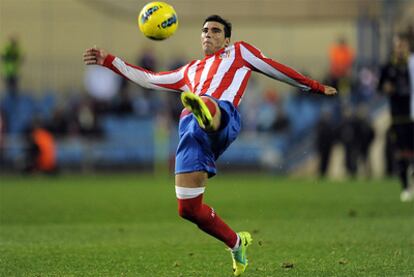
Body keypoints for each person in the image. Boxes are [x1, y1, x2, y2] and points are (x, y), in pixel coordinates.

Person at [83, 15, 337, 276]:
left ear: (227, 39)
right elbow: (148, 78)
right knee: (188, 209)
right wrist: (109, 61)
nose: (208, 34)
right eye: (205, 30)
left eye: (216, 31)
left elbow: (275, 68)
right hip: (191, 134)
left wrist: (313, 86)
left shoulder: (240, 52)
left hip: (223, 116)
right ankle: (237, 244)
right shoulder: (189, 70)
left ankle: (205, 112)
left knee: (208, 104)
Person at [378, 33, 414, 202]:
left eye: (402, 45)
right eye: (397, 45)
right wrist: (385, 87)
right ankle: (405, 188)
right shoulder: (388, 67)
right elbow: (379, 86)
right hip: (398, 116)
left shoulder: (411, 65)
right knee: (400, 153)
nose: (400, 49)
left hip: (412, 114)